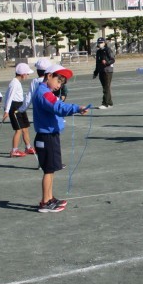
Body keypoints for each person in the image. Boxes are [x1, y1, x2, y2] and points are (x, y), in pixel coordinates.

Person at [32, 64, 90, 213]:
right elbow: (58, 107)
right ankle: (45, 202)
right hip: (46, 137)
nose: (59, 86)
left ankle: (49, 198)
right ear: (49, 76)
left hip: (49, 136)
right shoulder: (44, 93)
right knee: (48, 170)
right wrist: (77, 108)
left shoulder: (45, 92)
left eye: (61, 83)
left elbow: (57, 106)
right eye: (58, 81)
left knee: (51, 170)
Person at [2, 62, 36, 157]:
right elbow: (9, 97)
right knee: (19, 130)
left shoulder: (17, 82)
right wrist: (6, 111)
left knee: (25, 128)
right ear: (23, 74)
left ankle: (28, 147)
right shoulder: (14, 83)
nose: (28, 76)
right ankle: (14, 150)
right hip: (14, 107)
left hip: (20, 106)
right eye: (27, 74)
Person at [93, 36, 115, 109]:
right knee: (105, 87)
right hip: (101, 71)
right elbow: (97, 63)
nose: (100, 44)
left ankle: (105, 103)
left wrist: (107, 62)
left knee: (106, 87)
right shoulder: (98, 52)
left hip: (107, 71)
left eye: (101, 42)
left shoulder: (108, 50)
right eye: (99, 42)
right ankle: (110, 103)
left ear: (104, 43)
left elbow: (112, 60)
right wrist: (95, 72)